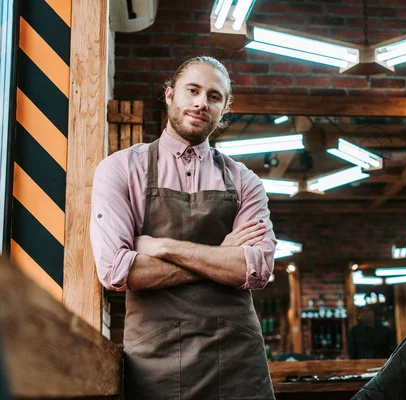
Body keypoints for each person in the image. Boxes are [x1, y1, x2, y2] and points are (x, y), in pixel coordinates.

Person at [90, 56, 276, 399]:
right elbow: (117, 271)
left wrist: (164, 247)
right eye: (192, 90)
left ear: (224, 108)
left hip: (237, 358)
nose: (201, 103)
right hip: (154, 362)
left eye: (214, 96)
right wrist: (222, 258)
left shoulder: (245, 181)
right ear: (169, 95)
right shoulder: (120, 169)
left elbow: (257, 269)